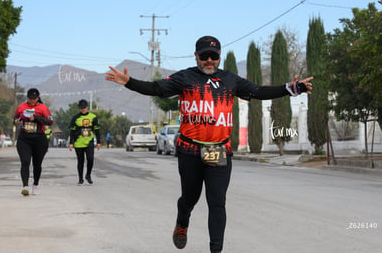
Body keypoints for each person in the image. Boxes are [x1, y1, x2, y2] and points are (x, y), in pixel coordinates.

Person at [105, 35, 313, 253]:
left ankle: (216, 250)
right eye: (205, 56)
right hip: (190, 150)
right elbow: (156, 88)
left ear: (219, 56)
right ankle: (182, 222)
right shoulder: (185, 77)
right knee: (190, 198)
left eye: (213, 56)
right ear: (196, 56)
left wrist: (291, 89)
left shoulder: (230, 80)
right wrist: (129, 82)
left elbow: (258, 91)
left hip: (217, 149)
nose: (209, 61)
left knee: (217, 202)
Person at [13, 88, 53, 196]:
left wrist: (35, 118)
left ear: (38, 98)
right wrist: (16, 122)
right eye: (30, 98)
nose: (32, 101)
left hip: (39, 138)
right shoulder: (21, 107)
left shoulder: (43, 108)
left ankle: (35, 185)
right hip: (24, 138)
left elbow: (50, 121)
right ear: (27, 98)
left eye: (34, 99)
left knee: (37, 164)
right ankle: (25, 186)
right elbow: (16, 118)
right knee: (25, 162)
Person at [69, 99, 101, 185]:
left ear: (87, 107)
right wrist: (71, 143)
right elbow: (72, 131)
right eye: (81, 108)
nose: (83, 109)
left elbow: (97, 130)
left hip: (89, 141)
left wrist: (98, 142)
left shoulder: (93, 117)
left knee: (90, 159)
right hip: (78, 142)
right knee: (80, 161)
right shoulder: (75, 118)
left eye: (84, 108)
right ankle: (80, 178)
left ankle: (88, 175)